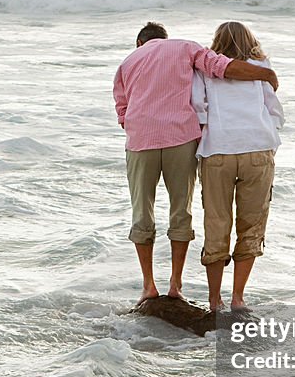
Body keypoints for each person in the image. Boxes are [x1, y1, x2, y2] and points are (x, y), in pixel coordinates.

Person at [114, 22, 278, 304]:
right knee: (181, 212)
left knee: (142, 214)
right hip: (182, 140)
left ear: (140, 43)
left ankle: (149, 286)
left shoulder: (127, 62)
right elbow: (223, 68)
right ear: (165, 38)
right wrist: (266, 74)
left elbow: (122, 109)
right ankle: (177, 285)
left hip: (142, 142)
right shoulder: (185, 47)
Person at [193, 21, 284, 311]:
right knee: (252, 226)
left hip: (218, 152)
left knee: (216, 224)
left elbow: (199, 107)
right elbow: (274, 109)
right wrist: (269, 134)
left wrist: (211, 133)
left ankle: (214, 300)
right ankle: (238, 298)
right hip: (257, 149)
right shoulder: (260, 66)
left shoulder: (205, 68)